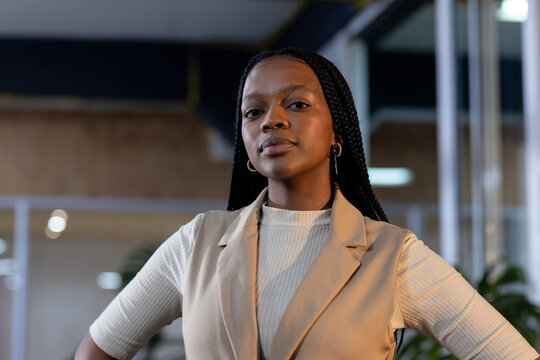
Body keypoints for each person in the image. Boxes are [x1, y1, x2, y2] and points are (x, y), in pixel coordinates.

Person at [76, 48, 540, 359]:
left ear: (337, 131)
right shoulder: (196, 243)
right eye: (254, 112)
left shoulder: (392, 258)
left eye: (296, 105)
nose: (271, 120)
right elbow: (96, 351)